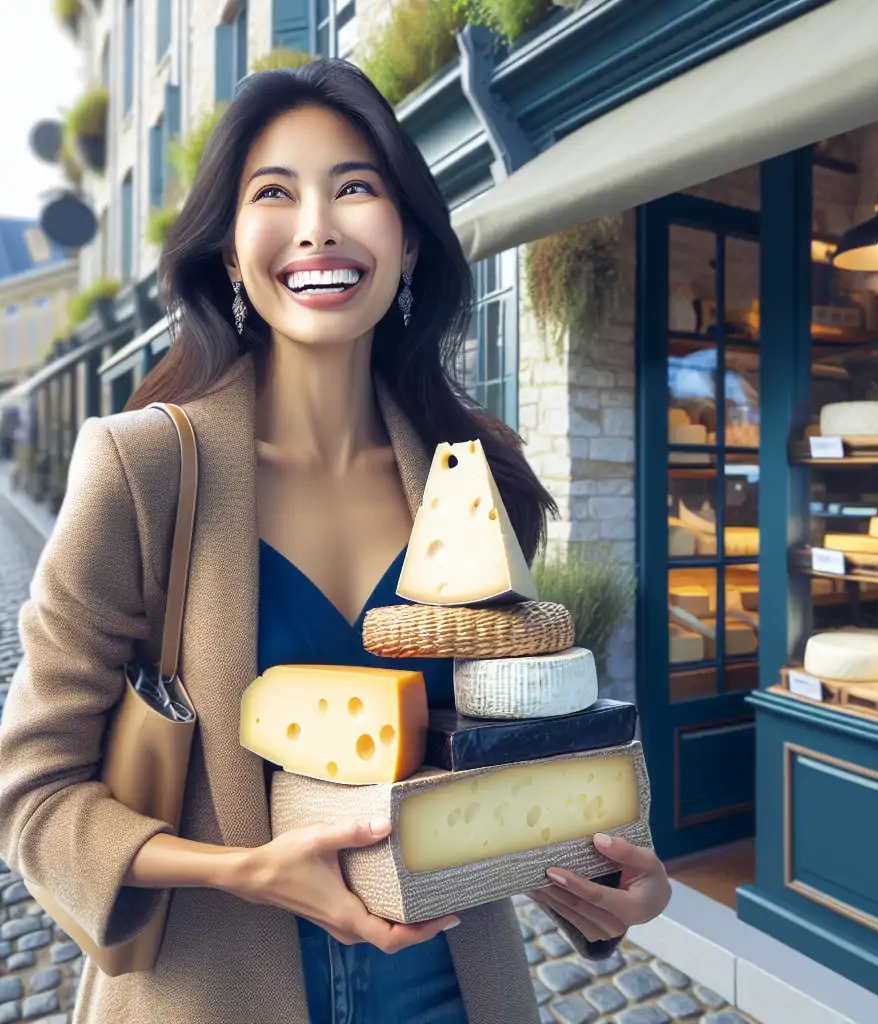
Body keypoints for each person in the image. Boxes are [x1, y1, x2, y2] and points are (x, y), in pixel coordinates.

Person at [0, 60, 670, 1024]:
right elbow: (35, 793)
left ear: (406, 243)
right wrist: (244, 871)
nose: (317, 223)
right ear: (231, 254)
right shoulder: (140, 471)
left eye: (355, 186)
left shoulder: (477, 482)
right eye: (275, 193)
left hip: (451, 991)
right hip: (212, 993)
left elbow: (501, 772)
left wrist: (605, 892)